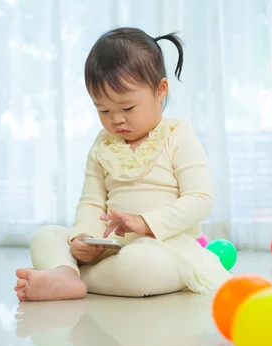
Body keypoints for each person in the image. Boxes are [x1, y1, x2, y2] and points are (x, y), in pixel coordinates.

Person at [14, 27, 231, 301]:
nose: (115, 119)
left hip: (166, 248)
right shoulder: (103, 145)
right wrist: (83, 238)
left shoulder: (178, 135)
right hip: (110, 249)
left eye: (127, 108)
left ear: (160, 90)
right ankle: (70, 276)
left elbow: (200, 199)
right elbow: (91, 202)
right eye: (103, 110)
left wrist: (145, 223)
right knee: (46, 236)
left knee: (142, 267)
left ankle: (71, 277)